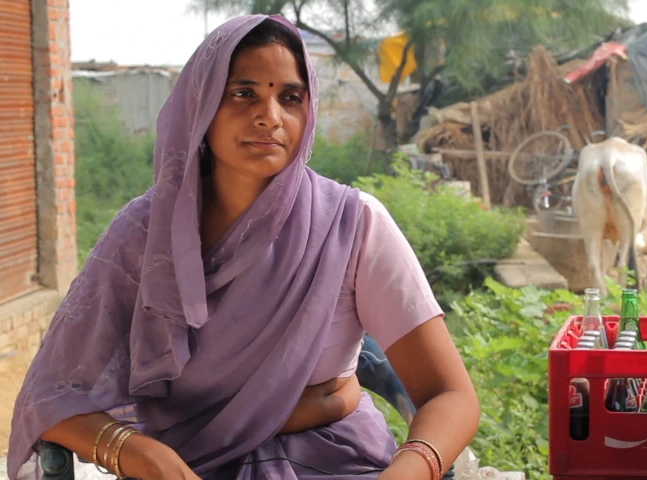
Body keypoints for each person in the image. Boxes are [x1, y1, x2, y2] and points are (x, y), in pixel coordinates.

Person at [8, 14, 479, 480]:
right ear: (202, 108)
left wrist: (407, 471)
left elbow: (448, 394)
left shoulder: (351, 225)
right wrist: (135, 452)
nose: (269, 117)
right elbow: (51, 394)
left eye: (290, 98)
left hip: (334, 462)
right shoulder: (143, 236)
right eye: (243, 93)